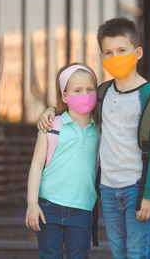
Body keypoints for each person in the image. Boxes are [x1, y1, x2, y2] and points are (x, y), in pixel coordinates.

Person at [37, 18, 150, 259]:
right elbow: (76, 105)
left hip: (138, 186)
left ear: (137, 52)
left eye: (122, 51)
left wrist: (149, 193)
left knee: (137, 252)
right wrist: (51, 109)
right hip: (108, 189)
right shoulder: (102, 92)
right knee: (118, 251)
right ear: (102, 57)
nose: (115, 57)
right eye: (108, 53)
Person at [25, 63, 100, 259]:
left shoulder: (100, 129)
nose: (84, 94)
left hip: (83, 209)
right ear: (65, 96)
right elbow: (36, 165)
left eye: (89, 89)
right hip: (48, 206)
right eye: (77, 90)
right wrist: (32, 203)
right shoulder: (51, 126)